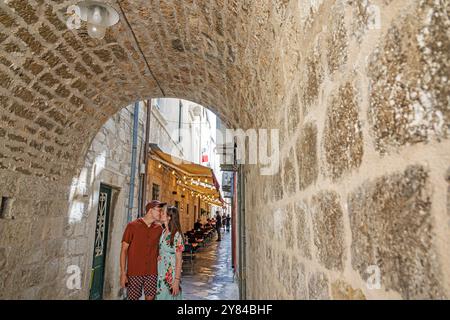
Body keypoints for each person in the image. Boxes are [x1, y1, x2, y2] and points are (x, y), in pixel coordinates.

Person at [120, 200, 166, 300]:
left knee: (150, 298)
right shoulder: (132, 226)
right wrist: (123, 273)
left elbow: (163, 247)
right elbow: (123, 251)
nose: (161, 213)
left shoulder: (159, 229)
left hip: (152, 272)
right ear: (150, 210)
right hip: (134, 272)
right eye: (159, 210)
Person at [156, 206, 184, 300]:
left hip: (170, 274)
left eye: (163, 213)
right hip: (161, 271)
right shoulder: (163, 232)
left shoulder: (176, 235)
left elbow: (179, 260)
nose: (161, 214)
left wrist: (176, 281)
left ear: (169, 217)